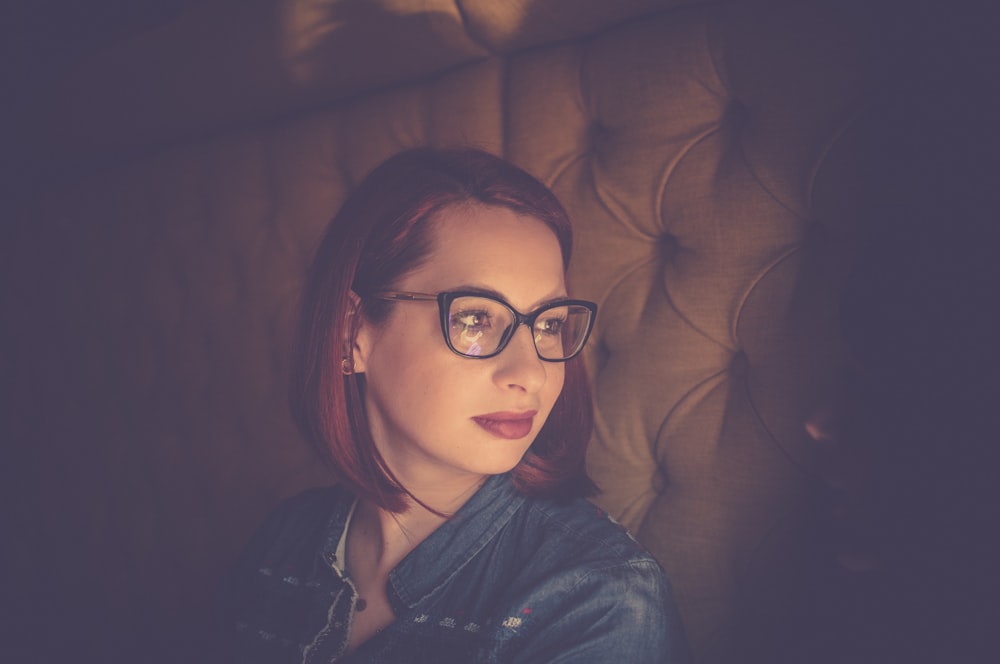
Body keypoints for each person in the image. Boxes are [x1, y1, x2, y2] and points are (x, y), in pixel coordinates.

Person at [216, 147, 690, 663]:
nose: (530, 373)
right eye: (475, 319)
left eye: (549, 323)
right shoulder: (283, 542)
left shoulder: (597, 600)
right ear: (352, 332)